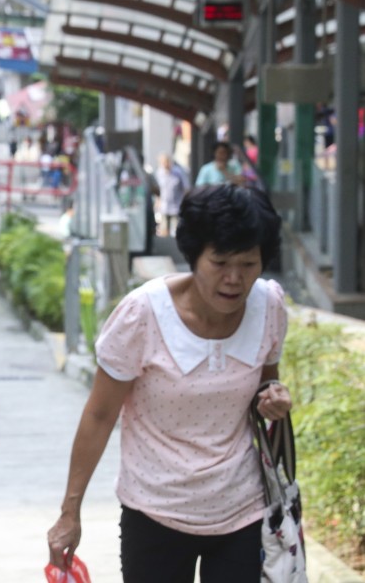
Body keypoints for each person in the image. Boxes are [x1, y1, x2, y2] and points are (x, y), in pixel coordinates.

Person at [46, 183, 293, 582]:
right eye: (221, 262)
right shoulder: (143, 315)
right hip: (155, 513)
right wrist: (69, 513)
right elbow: (99, 414)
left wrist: (273, 399)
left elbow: (266, 386)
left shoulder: (269, 306)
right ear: (194, 257)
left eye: (248, 264)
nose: (235, 279)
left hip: (241, 511)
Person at [153, 152, 189, 236]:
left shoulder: (178, 173)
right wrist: (157, 201)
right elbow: (157, 190)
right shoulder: (159, 173)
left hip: (176, 206)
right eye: (163, 162)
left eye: (166, 162)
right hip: (164, 207)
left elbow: (186, 188)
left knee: (177, 230)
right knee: (163, 230)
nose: (165, 164)